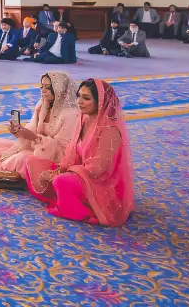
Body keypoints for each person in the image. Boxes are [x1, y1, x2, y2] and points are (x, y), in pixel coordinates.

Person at [23, 79, 134, 227]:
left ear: (100, 101)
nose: (79, 102)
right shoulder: (84, 119)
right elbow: (71, 154)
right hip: (78, 173)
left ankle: (81, 209)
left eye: (86, 98)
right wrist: (59, 169)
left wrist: (62, 174)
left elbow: (97, 170)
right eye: (79, 96)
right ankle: (65, 196)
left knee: (60, 181)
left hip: (97, 183)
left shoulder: (109, 130)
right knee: (32, 162)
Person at [0, 72, 79, 178]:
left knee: (22, 159)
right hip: (35, 148)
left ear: (60, 89)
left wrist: (34, 138)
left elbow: (63, 151)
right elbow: (31, 129)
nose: (43, 91)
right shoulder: (42, 105)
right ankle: (3, 173)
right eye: (42, 86)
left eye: (48, 88)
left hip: (54, 158)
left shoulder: (70, 114)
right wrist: (19, 132)